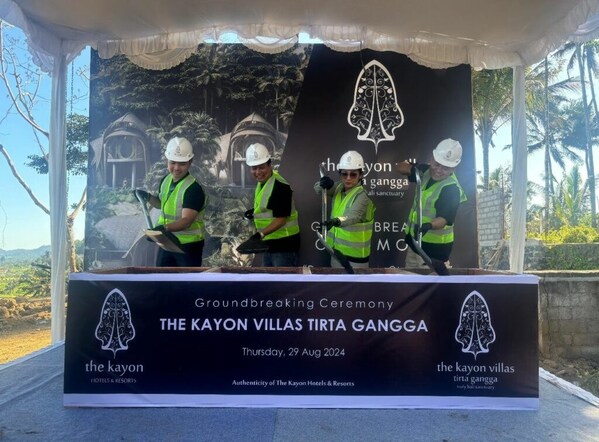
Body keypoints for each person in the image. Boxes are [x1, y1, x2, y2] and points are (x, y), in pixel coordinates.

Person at [136, 136, 207, 267]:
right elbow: (161, 204)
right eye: (173, 162)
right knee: (163, 276)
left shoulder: (193, 189)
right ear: (166, 160)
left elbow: (186, 221)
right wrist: (147, 197)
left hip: (188, 246)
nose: (176, 168)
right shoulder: (166, 180)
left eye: (182, 163)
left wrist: (163, 228)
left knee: (186, 279)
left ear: (190, 162)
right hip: (168, 242)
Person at [397, 138, 466, 268]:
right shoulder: (425, 171)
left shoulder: (451, 189)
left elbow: (444, 219)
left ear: (453, 168)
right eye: (437, 164)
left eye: (445, 168)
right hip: (415, 245)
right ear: (432, 158)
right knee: (410, 278)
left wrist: (428, 226)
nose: (438, 170)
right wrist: (411, 169)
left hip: (434, 252)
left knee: (431, 281)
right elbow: (400, 167)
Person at [316, 150, 376, 268]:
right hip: (336, 253)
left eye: (353, 174)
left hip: (355, 260)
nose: (348, 178)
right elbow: (318, 190)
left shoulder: (362, 196)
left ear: (361, 175)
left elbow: (353, 216)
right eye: (344, 174)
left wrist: (335, 221)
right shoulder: (338, 187)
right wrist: (324, 184)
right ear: (340, 174)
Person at [243, 142, 300, 267]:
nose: (258, 172)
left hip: (284, 246)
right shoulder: (263, 183)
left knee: (281, 280)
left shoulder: (280, 186)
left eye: (261, 167)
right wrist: (253, 212)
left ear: (270, 165)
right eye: (254, 168)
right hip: (269, 243)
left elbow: (281, 220)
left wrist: (260, 234)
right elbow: (268, 208)